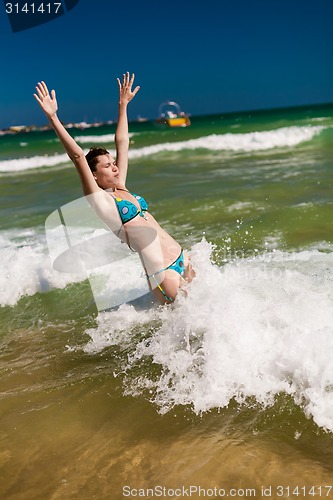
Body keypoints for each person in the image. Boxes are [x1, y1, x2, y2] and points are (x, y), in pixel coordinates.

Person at [34, 72, 194, 304]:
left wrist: (123, 105)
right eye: (108, 166)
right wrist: (53, 119)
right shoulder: (101, 201)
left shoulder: (122, 188)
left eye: (114, 163)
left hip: (180, 257)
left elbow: (123, 142)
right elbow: (78, 156)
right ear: (95, 175)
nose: (115, 167)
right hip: (163, 273)